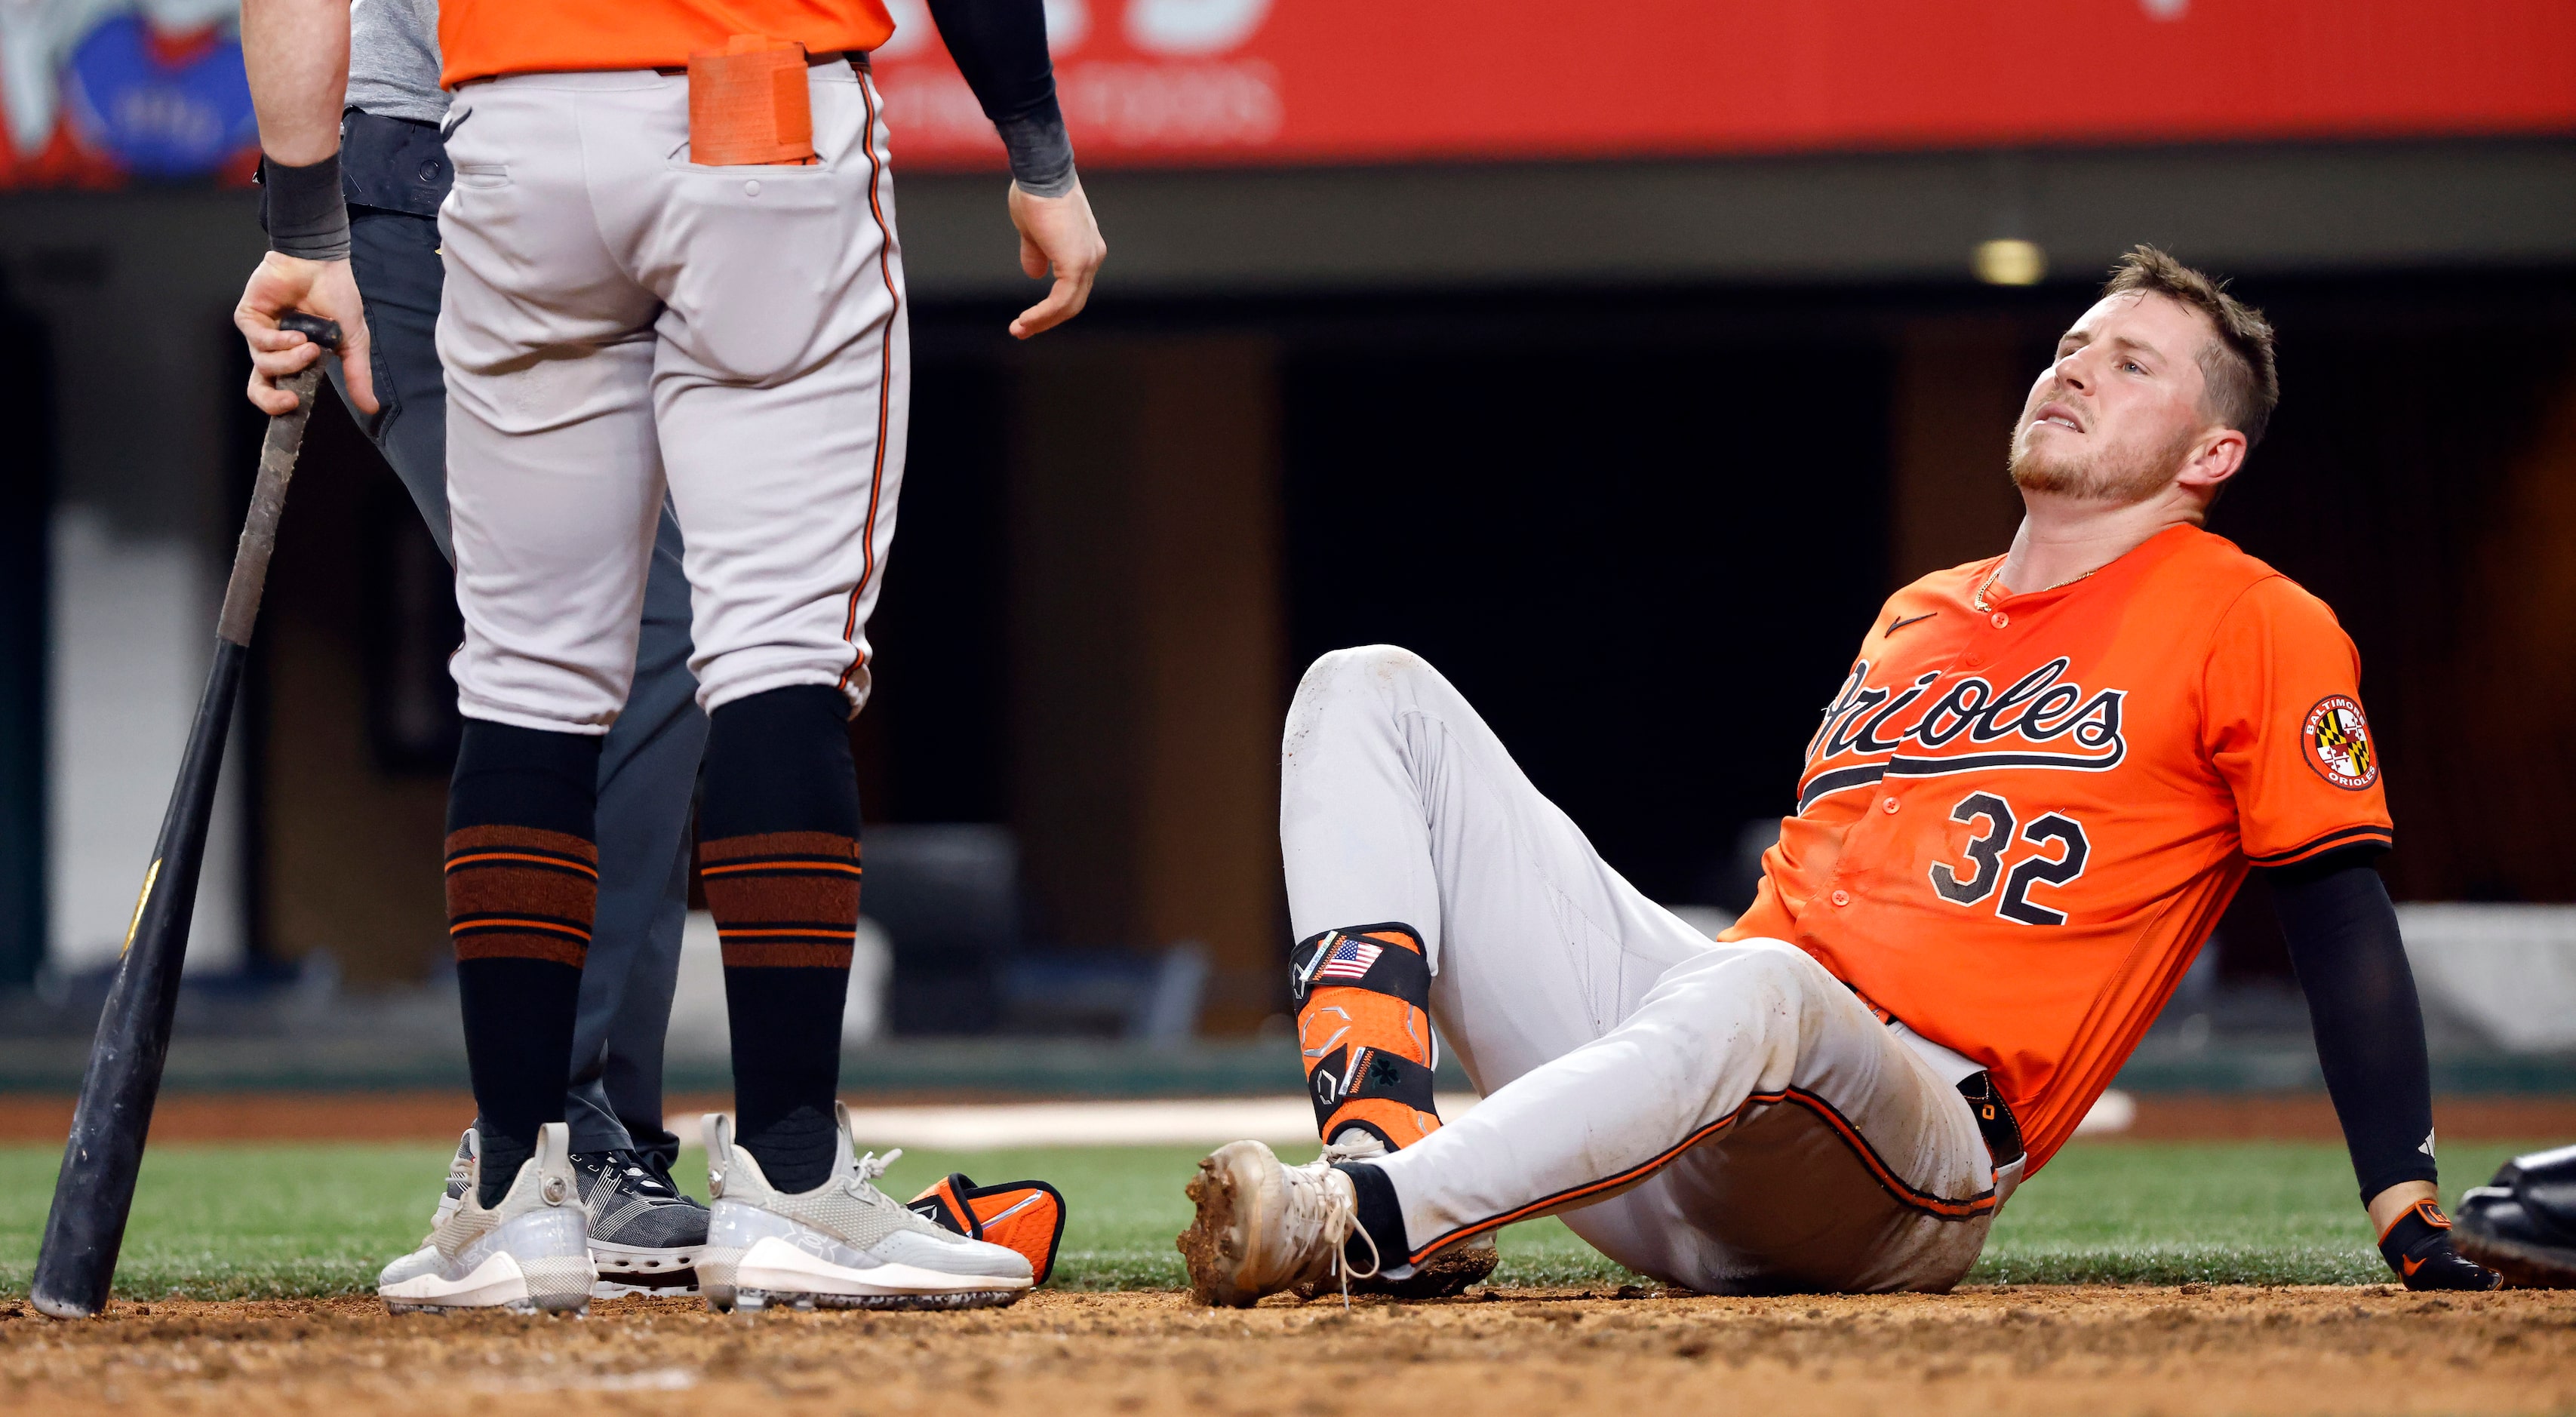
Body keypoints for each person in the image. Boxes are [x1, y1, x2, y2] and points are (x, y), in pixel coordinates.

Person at [1177, 247, 2501, 1303]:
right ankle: (1389, 1161)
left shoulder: (2252, 617)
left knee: (1762, 983)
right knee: (1366, 687)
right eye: (2068, 347)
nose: (2074, 370)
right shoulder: (1919, 608)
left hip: (1907, 1150)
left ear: (2211, 454)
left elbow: (2334, 908)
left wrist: (2403, 1193)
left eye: (2131, 361)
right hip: (1712, 1070)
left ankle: (1356, 1225)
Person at [233, 0, 1105, 1314]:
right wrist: (1038, 157)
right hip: (754, 99)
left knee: (525, 669)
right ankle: (794, 1180)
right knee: (775, 647)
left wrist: (305, 227)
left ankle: (514, 1201)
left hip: (507, 127)